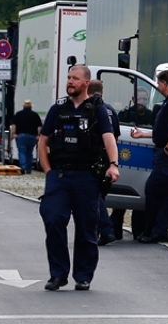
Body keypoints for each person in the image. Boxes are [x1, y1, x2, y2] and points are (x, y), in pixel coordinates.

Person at [38, 65, 120, 291]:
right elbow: (43, 141)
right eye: (68, 78)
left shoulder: (96, 110)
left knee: (86, 227)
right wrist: (48, 171)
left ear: (86, 83)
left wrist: (113, 165)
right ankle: (58, 274)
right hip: (60, 175)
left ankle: (83, 275)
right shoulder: (58, 109)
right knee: (53, 218)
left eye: (74, 78)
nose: (70, 81)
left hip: (87, 176)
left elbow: (109, 139)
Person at [131, 69, 168, 244]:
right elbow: (163, 131)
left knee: (153, 189)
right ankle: (158, 230)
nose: (158, 86)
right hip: (164, 152)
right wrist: (144, 135)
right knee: (161, 193)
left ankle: (154, 230)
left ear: (164, 83)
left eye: (158, 83)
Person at [86, 80, 122, 245]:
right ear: (102, 91)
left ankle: (106, 230)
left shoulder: (89, 109)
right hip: (108, 158)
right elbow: (114, 137)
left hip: (93, 157)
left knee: (94, 195)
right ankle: (102, 230)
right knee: (99, 194)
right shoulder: (110, 110)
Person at [11, 99, 42, 174]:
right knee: (29, 152)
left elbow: (14, 125)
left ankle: (23, 167)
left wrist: (14, 133)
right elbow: (39, 127)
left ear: (23, 106)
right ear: (31, 107)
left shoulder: (18, 114)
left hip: (21, 136)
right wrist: (38, 135)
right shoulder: (35, 115)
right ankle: (28, 169)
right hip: (32, 136)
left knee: (22, 152)